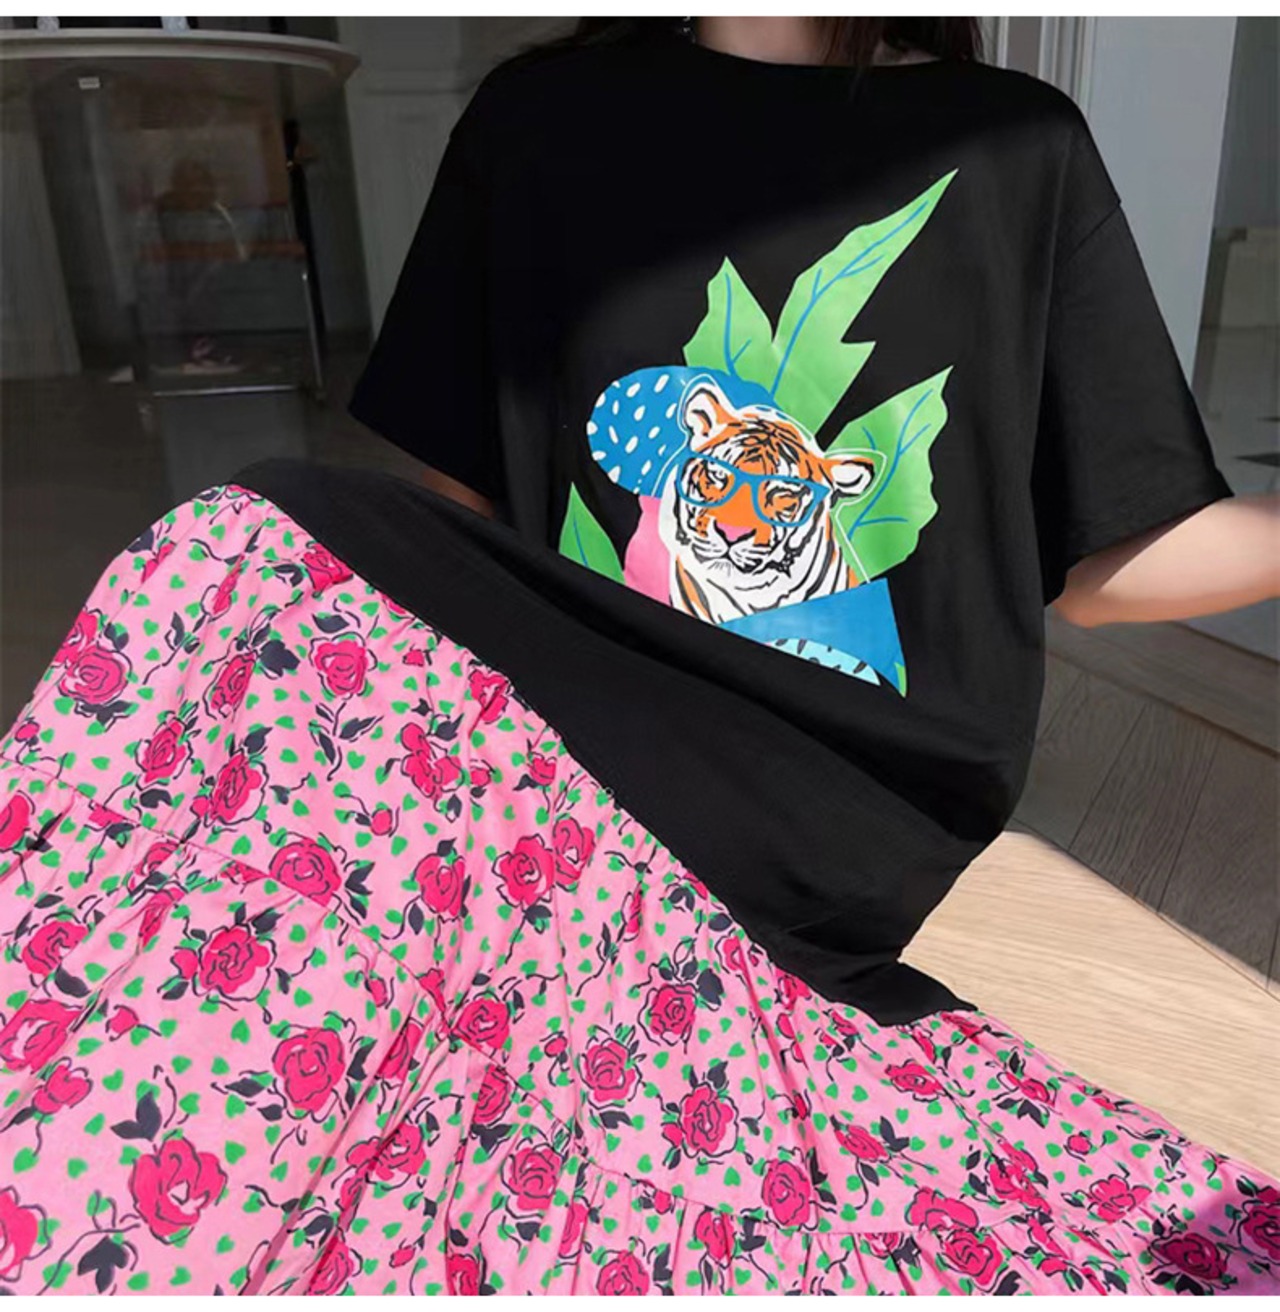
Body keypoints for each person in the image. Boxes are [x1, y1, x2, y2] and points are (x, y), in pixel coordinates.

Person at [0, 16, 1276, 1296]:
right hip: (566, 744)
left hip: (829, 790)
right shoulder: (536, 125)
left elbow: (1117, 561)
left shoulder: (1012, 145)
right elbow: (459, 533)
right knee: (249, 552)